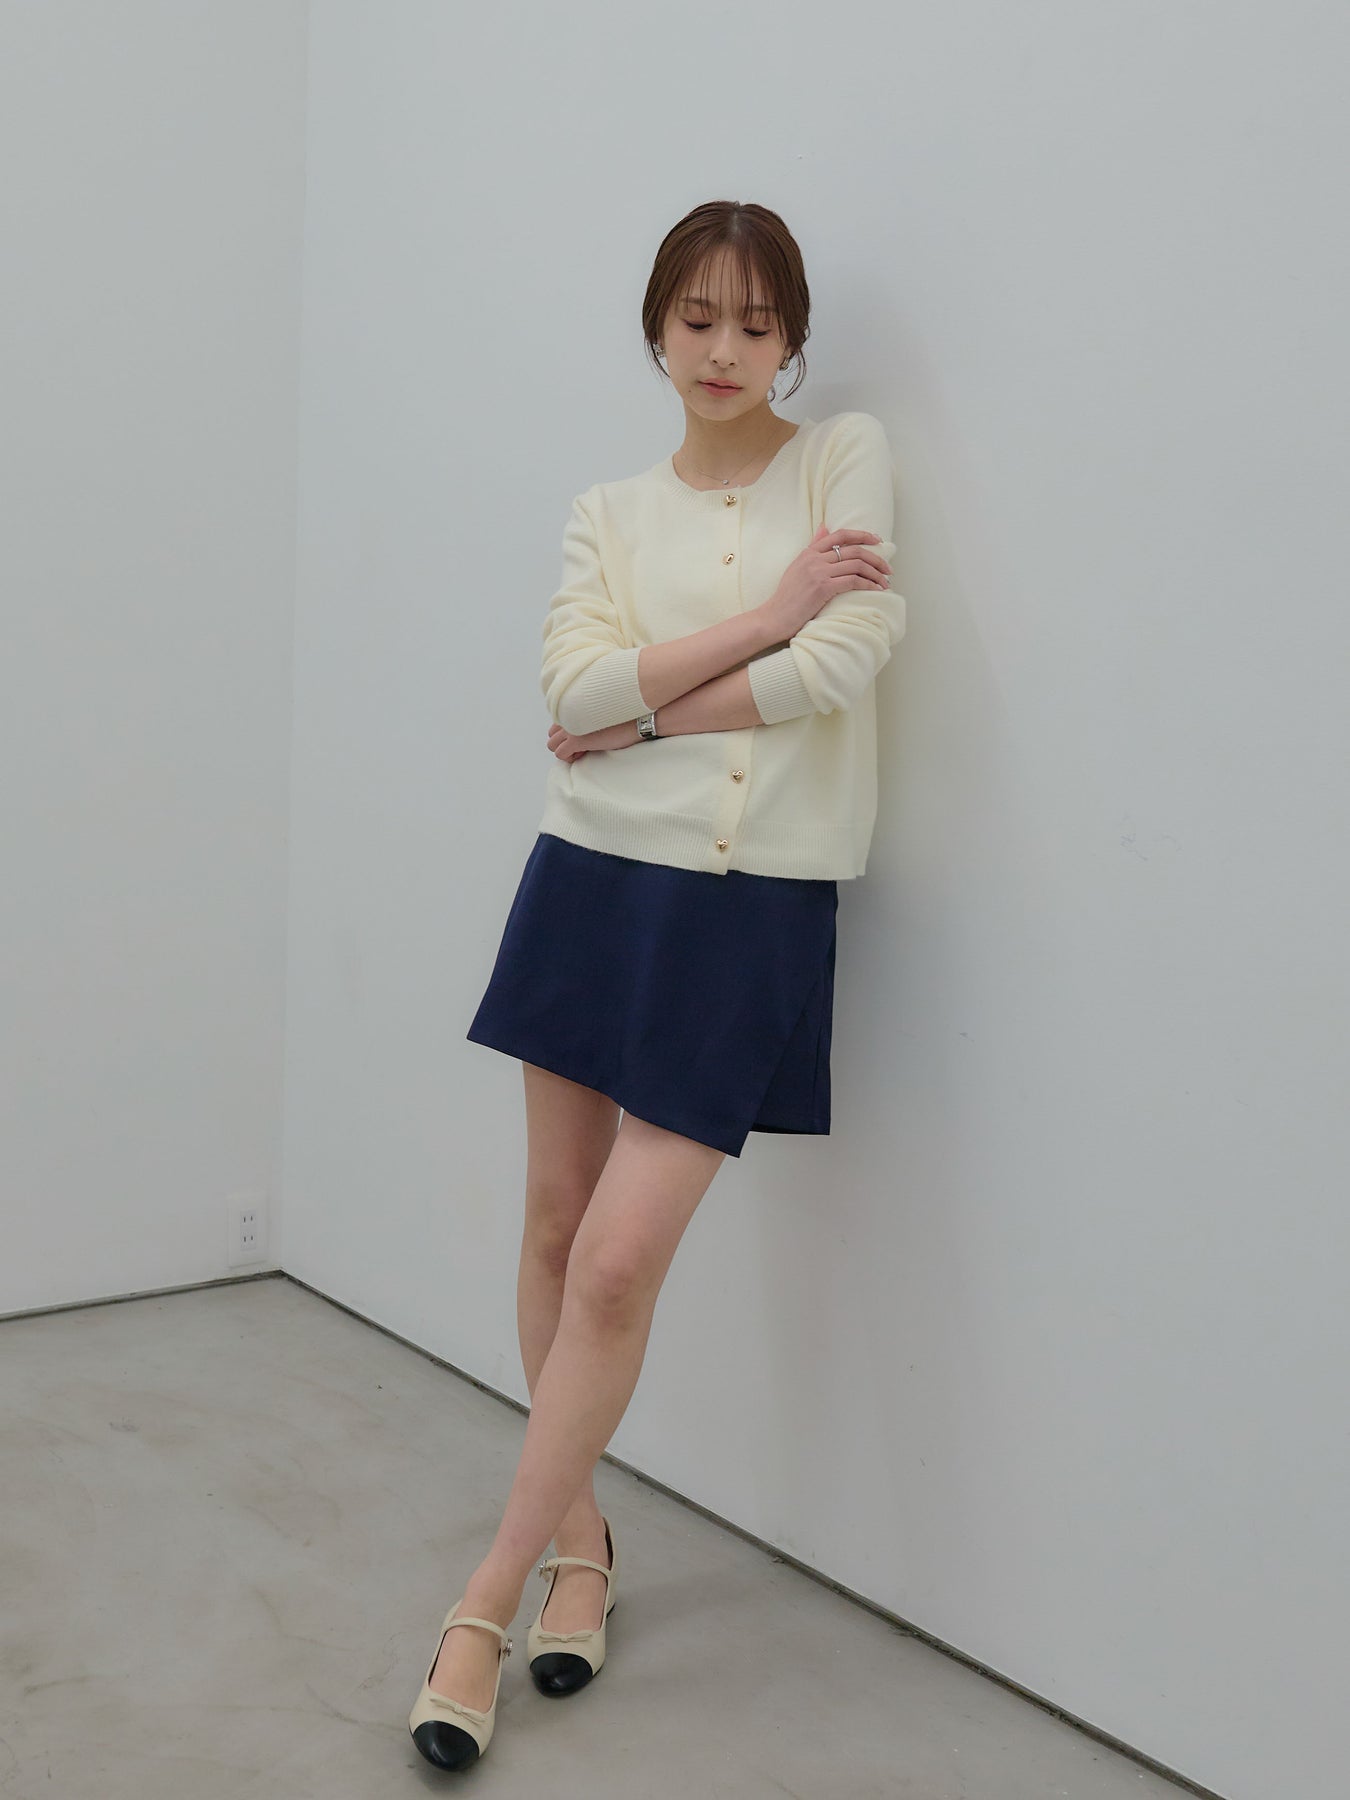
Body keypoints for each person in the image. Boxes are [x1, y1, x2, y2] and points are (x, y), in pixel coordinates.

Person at [408, 199, 905, 1770]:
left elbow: (848, 660)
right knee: (558, 1230)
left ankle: (484, 1598)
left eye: (756, 324)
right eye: (697, 318)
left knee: (618, 1265)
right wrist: (763, 617)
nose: (724, 349)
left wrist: (637, 721)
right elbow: (569, 680)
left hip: (749, 904)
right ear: (655, 329)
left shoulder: (840, 460)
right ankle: (583, 1550)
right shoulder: (608, 511)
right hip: (591, 881)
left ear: (793, 340)